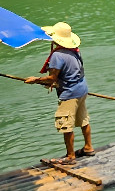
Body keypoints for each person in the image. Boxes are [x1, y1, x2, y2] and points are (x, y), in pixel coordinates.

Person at [25, 22, 94, 165]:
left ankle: (70, 157)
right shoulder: (75, 50)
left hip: (70, 93)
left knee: (66, 123)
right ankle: (88, 147)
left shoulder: (57, 55)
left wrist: (36, 80)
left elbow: (52, 78)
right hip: (82, 89)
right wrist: (54, 82)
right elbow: (71, 73)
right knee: (83, 119)